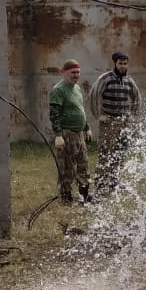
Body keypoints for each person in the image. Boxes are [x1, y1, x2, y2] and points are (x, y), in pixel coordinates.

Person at [89, 52, 142, 194]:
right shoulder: (105, 78)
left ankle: (114, 183)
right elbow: (94, 94)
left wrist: (133, 115)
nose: (123, 66)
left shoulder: (129, 80)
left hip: (124, 123)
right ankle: (100, 185)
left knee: (120, 153)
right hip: (109, 123)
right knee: (105, 153)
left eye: (125, 63)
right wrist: (98, 115)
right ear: (115, 63)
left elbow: (137, 97)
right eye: (120, 63)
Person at [48, 59, 93, 205]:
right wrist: (58, 135)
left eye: (78, 72)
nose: (76, 75)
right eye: (73, 72)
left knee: (83, 164)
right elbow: (54, 113)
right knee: (67, 166)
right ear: (64, 73)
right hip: (67, 134)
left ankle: (84, 194)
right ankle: (66, 196)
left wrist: (86, 128)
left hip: (79, 133)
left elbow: (80, 109)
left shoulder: (77, 88)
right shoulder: (59, 90)